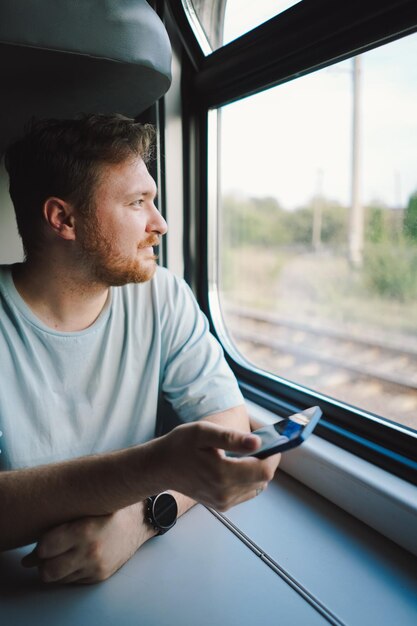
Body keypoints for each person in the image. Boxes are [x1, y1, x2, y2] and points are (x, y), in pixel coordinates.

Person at [0, 114, 280, 584]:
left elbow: (227, 421)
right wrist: (154, 466)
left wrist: (140, 519)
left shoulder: (163, 295)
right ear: (63, 218)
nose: (161, 224)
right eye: (138, 202)